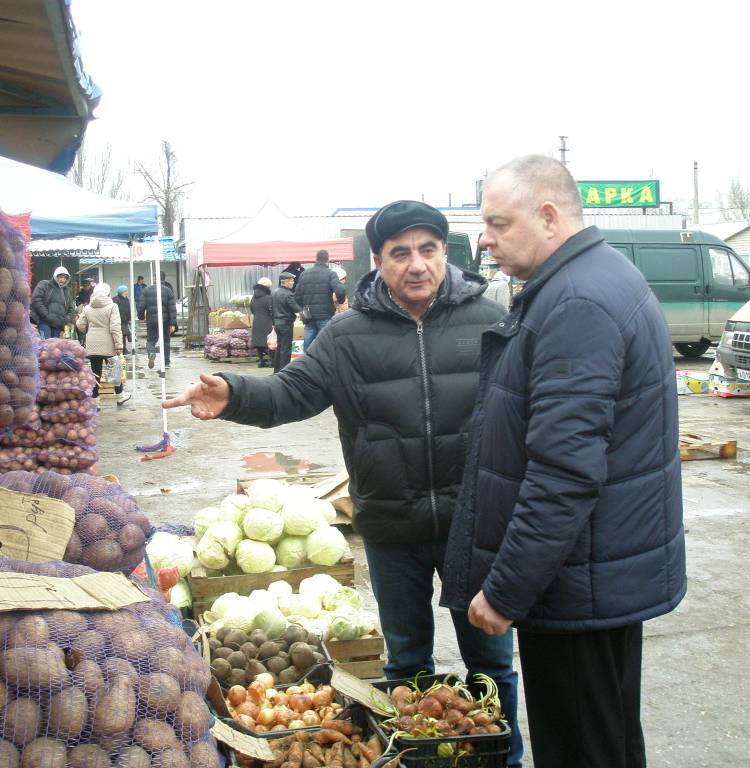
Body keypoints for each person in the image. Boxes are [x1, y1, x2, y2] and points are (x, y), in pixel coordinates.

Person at [164, 200, 522, 765]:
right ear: (378, 260)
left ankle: (502, 759)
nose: (417, 264)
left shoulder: (491, 319)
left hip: (473, 527)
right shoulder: (348, 334)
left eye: (428, 249)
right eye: (400, 252)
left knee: (492, 665)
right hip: (390, 526)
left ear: (444, 255)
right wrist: (233, 393)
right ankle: (415, 759)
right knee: (405, 665)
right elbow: (290, 391)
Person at [441, 155, 686, 768]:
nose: (485, 240)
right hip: (592, 572)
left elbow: (564, 472)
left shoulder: (576, 301)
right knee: (606, 738)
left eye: (498, 223)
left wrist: (505, 591)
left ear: (549, 216)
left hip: (576, 583)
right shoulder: (593, 278)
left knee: (579, 747)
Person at [75, 282, 130, 405]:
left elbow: (79, 324)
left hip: (93, 344)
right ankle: (120, 395)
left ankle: (95, 400)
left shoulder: (88, 308)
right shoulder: (112, 306)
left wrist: (90, 331)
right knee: (114, 370)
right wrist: (119, 345)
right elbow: (115, 327)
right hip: (108, 344)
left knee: (95, 372)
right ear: (108, 294)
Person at [292, 249, 345, 351]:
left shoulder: (304, 274)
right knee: (325, 343)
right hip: (325, 314)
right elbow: (340, 290)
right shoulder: (330, 274)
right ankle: (323, 364)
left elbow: (297, 296)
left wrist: (304, 307)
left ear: (316, 259)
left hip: (308, 315)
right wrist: (340, 301)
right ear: (327, 260)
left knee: (308, 343)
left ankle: (306, 363)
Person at [30, 265, 75, 340]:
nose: (62, 280)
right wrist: (45, 314)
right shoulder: (45, 284)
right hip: (44, 322)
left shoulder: (67, 291)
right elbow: (36, 299)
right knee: (45, 346)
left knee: (55, 349)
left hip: (58, 325)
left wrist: (66, 319)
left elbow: (71, 308)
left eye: (65, 278)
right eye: (60, 277)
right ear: (55, 276)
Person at [141, 278, 177, 369]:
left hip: (151, 320)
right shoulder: (168, 291)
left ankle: (151, 353)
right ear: (163, 281)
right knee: (166, 341)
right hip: (165, 320)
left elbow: (141, 306)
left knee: (151, 340)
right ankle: (166, 363)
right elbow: (172, 308)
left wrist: (141, 317)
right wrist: (172, 323)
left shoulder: (146, 290)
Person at [270, 271, 300, 373]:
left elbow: (271, 308)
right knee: (286, 348)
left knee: (279, 347)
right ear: (285, 282)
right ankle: (284, 371)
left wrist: (273, 321)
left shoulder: (274, 292)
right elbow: (296, 308)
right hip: (286, 323)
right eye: (291, 281)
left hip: (277, 323)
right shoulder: (288, 294)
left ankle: (276, 370)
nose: (293, 283)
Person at [249, 277, 274, 368]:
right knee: (271, 340)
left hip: (257, 320)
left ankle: (261, 360)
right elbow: (272, 310)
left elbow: (252, 309)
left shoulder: (253, 298)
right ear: (267, 287)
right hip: (268, 321)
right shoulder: (269, 298)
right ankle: (272, 360)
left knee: (259, 341)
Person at [74, 275, 95, 344]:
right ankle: (81, 340)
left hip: (91, 311)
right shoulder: (81, 292)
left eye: (86, 286)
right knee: (79, 325)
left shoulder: (93, 291)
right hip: (82, 311)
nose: (85, 288)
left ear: (89, 285)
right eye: (84, 286)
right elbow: (78, 300)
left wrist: (88, 303)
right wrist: (80, 303)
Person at [113, 285, 134, 353]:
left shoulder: (126, 299)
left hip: (125, 320)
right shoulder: (115, 299)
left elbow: (128, 310)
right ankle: (119, 349)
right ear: (121, 292)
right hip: (118, 320)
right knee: (119, 335)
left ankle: (124, 348)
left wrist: (129, 319)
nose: (126, 292)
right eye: (125, 291)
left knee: (124, 335)